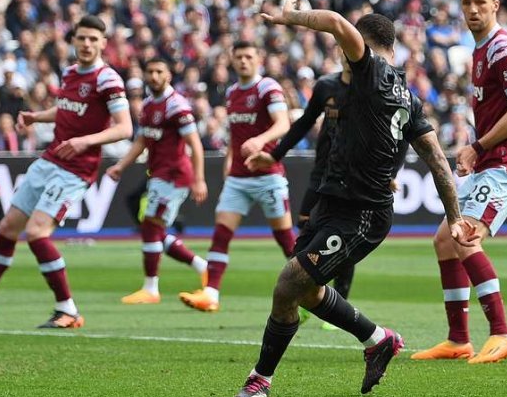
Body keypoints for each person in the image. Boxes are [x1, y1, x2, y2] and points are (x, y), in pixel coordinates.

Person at [235, 0, 472, 397]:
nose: (343, 54)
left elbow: (334, 22)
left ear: (364, 42)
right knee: (303, 291)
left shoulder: (371, 70)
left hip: (361, 212)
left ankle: (261, 378)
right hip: (333, 201)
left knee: (287, 283)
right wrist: (453, 216)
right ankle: (377, 338)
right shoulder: (409, 97)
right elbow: (436, 159)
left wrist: (287, 17)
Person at [0, 15, 132, 329]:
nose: (87, 44)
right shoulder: (71, 72)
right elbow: (67, 109)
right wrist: (37, 117)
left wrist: (83, 142)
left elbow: (125, 127)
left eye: (93, 39)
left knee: (36, 233)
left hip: (75, 169)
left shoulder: (108, 79)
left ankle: (68, 309)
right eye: (82, 38)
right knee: (7, 228)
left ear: (103, 43)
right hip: (50, 160)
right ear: (73, 41)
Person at [412, 0, 507, 364]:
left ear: (495, 4)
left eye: (481, 2)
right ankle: (458, 339)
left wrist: (476, 146)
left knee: (464, 236)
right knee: (445, 240)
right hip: (489, 160)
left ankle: (502, 333)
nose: (473, 10)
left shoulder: (503, 49)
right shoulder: (479, 50)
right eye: (467, 3)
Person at [178, 40, 294, 312]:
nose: (243, 61)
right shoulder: (232, 92)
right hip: (238, 178)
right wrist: (230, 160)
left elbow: (283, 123)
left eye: (248, 56)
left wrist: (259, 140)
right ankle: (211, 294)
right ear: (232, 60)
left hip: (268, 174)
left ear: (258, 59)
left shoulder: (267, 87)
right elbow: (235, 134)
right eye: (238, 57)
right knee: (221, 234)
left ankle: (316, 290)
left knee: (286, 240)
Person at [249, 56, 356, 331]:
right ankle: (311, 295)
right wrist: (274, 155)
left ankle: (339, 301)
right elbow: (304, 123)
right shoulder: (327, 86)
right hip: (321, 173)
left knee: (343, 241)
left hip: (351, 177)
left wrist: (389, 172)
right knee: (305, 232)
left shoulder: (372, 88)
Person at [106, 57, 209, 304]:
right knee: (154, 231)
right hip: (158, 175)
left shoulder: (177, 106)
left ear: (168, 76)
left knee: (151, 227)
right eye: (150, 71)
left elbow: (195, 144)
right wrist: (121, 165)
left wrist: (199, 179)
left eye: (158, 71)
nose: (153, 76)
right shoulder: (150, 104)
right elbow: (142, 141)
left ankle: (151, 289)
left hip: (174, 176)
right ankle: (202, 266)